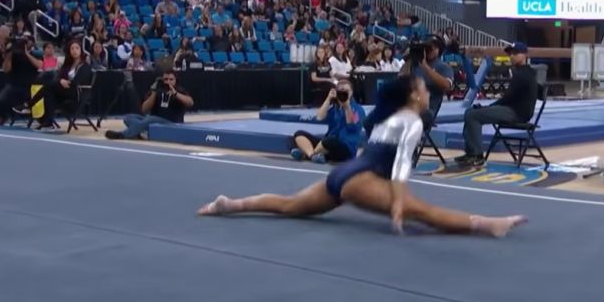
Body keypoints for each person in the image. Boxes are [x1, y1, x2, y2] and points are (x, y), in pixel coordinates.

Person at [197, 76, 527, 238]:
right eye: (425, 89)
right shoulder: (411, 120)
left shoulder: (391, 118)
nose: (429, 92)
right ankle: (489, 225)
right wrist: (400, 203)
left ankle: (231, 205)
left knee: (290, 206)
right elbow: (399, 168)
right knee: (421, 211)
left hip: (347, 173)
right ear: (414, 95)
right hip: (360, 179)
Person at [454, 42, 537, 166]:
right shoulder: (524, 72)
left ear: (524, 55)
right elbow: (509, 98)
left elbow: (507, 98)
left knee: (473, 115)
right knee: (470, 112)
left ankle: (477, 155)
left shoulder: (523, 74)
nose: (512, 56)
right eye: (510, 54)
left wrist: (489, 107)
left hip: (516, 113)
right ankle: (470, 153)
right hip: (513, 109)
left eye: (515, 53)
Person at [290, 79, 366, 164]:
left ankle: (308, 154)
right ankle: (312, 155)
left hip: (346, 148)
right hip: (326, 145)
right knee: (299, 134)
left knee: (329, 141)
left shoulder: (357, 109)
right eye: (340, 91)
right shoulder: (334, 108)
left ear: (351, 92)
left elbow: (352, 126)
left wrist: (347, 107)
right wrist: (328, 98)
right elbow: (319, 117)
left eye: (346, 91)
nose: (343, 93)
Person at [105, 70, 195, 140]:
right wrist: (154, 93)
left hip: (171, 121)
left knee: (149, 120)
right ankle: (140, 132)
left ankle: (123, 134)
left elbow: (190, 102)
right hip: (152, 119)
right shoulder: (157, 90)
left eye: (171, 79)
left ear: (176, 80)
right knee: (129, 117)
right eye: (166, 79)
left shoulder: (179, 90)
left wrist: (176, 94)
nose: (168, 82)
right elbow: (144, 109)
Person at [31, 39, 93, 129]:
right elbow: (58, 78)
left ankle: (29, 104)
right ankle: (48, 123)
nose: (74, 50)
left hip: (76, 93)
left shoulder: (85, 66)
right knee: (49, 92)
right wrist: (61, 81)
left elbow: (77, 81)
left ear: (81, 50)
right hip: (64, 91)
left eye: (77, 48)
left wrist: (62, 81)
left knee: (48, 85)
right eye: (72, 48)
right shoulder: (67, 65)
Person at [400, 35, 454, 125]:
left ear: (438, 49)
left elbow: (447, 85)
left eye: (434, 47)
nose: (431, 50)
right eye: (428, 47)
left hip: (427, 108)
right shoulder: (415, 64)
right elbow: (400, 80)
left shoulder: (444, 66)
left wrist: (425, 67)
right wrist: (409, 60)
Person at [0, 31, 42, 125]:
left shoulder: (36, 54)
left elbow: (40, 65)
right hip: (14, 84)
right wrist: (9, 55)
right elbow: (6, 69)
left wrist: (27, 54)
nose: (25, 44)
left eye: (28, 41)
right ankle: (3, 116)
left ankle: (40, 118)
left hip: (30, 86)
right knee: (0, 100)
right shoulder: (14, 54)